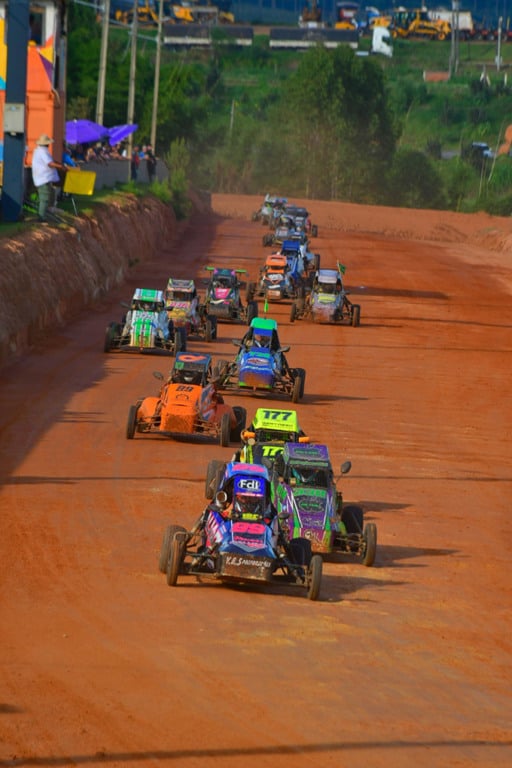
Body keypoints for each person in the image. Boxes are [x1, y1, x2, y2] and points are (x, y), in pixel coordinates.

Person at [31, 134, 65, 222]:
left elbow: (51, 161)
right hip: (43, 178)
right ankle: (41, 217)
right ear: (47, 144)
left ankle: (45, 215)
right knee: (44, 199)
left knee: (47, 197)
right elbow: (49, 163)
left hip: (42, 178)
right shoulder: (43, 152)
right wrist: (61, 167)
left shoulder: (39, 151)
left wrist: (58, 164)